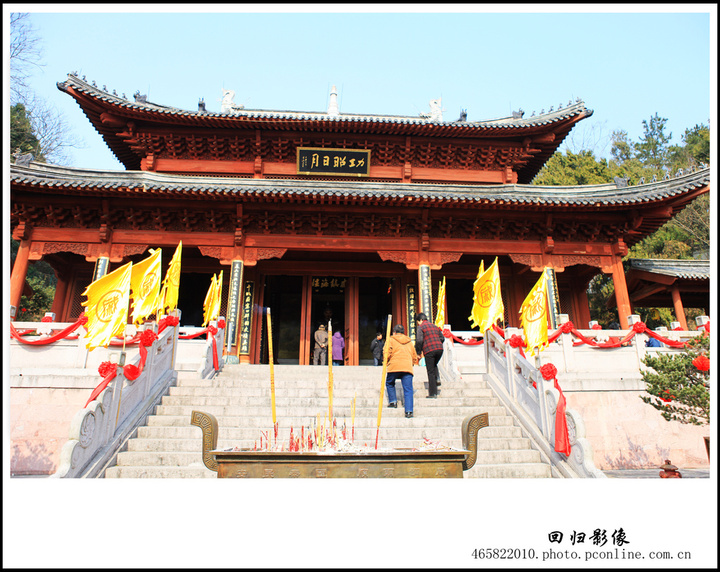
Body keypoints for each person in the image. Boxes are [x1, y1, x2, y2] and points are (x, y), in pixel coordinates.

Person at [385, 324, 419, 418]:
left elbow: (387, 353)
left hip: (394, 366)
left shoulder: (391, 340)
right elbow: (414, 356)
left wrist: (386, 362)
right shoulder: (409, 342)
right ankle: (409, 411)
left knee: (389, 383)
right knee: (408, 389)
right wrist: (410, 363)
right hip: (407, 367)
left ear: (394, 332)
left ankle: (393, 401)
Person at [415, 313, 445, 398]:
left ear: (420, 320)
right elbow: (442, 338)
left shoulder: (421, 327)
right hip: (439, 349)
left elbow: (419, 340)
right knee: (434, 364)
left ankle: (433, 393)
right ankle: (437, 378)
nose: (418, 324)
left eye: (418, 322)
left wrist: (418, 351)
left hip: (429, 350)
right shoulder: (434, 326)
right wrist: (438, 344)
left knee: (430, 371)